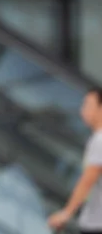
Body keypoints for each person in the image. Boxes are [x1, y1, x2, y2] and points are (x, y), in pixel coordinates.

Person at [48, 88, 102, 234]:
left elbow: (88, 180)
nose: (83, 111)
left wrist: (66, 213)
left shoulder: (99, 140)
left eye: (88, 105)